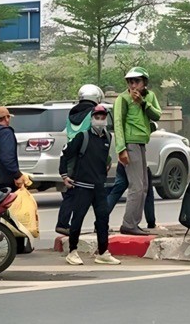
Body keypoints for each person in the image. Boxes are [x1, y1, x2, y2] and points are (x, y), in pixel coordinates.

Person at [60, 105, 121, 266]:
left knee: (103, 219)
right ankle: (72, 251)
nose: (100, 120)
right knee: (77, 219)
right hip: (82, 186)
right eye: (97, 117)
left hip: (99, 187)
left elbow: (104, 158)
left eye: (103, 117)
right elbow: (65, 154)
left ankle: (103, 252)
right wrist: (64, 175)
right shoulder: (83, 137)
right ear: (92, 119)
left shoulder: (108, 137)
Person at [114, 67, 162, 236]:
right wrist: (121, 149)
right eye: (130, 81)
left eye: (136, 81)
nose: (133, 85)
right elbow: (118, 124)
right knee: (136, 185)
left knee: (144, 186)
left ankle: (134, 222)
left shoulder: (149, 97)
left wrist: (143, 102)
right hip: (131, 143)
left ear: (144, 83)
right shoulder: (123, 99)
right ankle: (129, 223)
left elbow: (157, 115)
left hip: (142, 142)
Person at [55, 84, 104, 235]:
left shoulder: (72, 113)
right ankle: (100, 225)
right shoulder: (93, 114)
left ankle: (63, 223)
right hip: (87, 157)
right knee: (97, 192)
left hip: (71, 156)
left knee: (72, 190)